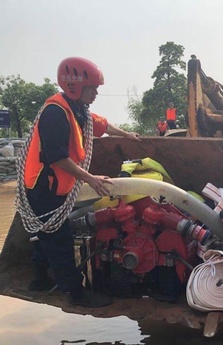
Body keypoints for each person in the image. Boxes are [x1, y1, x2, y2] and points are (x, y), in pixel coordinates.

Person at [18, 57, 139, 308]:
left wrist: (126, 134)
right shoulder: (55, 113)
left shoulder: (77, 109)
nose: (96, 93)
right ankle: (76, 294)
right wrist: (91, 179)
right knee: (58, 237)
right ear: (74, 86)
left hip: (56, 186)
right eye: (92, 88)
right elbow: (58, 159)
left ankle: (39, 279)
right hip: (43, 187)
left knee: (45, 232)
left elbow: (101, 124)